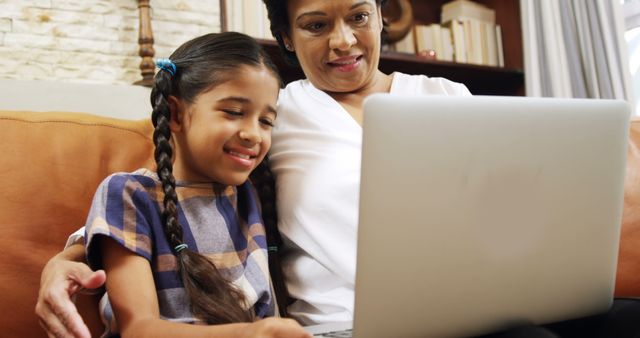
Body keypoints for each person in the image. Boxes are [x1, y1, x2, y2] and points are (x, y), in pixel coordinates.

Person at [36, 1, 640, 338]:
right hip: (351, 327)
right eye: (316, 25)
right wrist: (70, 256)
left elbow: (519, 197)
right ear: (286, 37)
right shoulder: (282, 110)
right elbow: (173, 180)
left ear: (379, 15)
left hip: (483, 306)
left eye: (358, 16)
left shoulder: (449, 96)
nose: (344, 41)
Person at [41, 31, 310, 338]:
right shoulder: (130, 194)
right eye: (234, 112)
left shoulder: (254, 193)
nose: (253, 134)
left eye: (266, 121)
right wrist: (250, 334)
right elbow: (137, 328)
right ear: (176, 114)